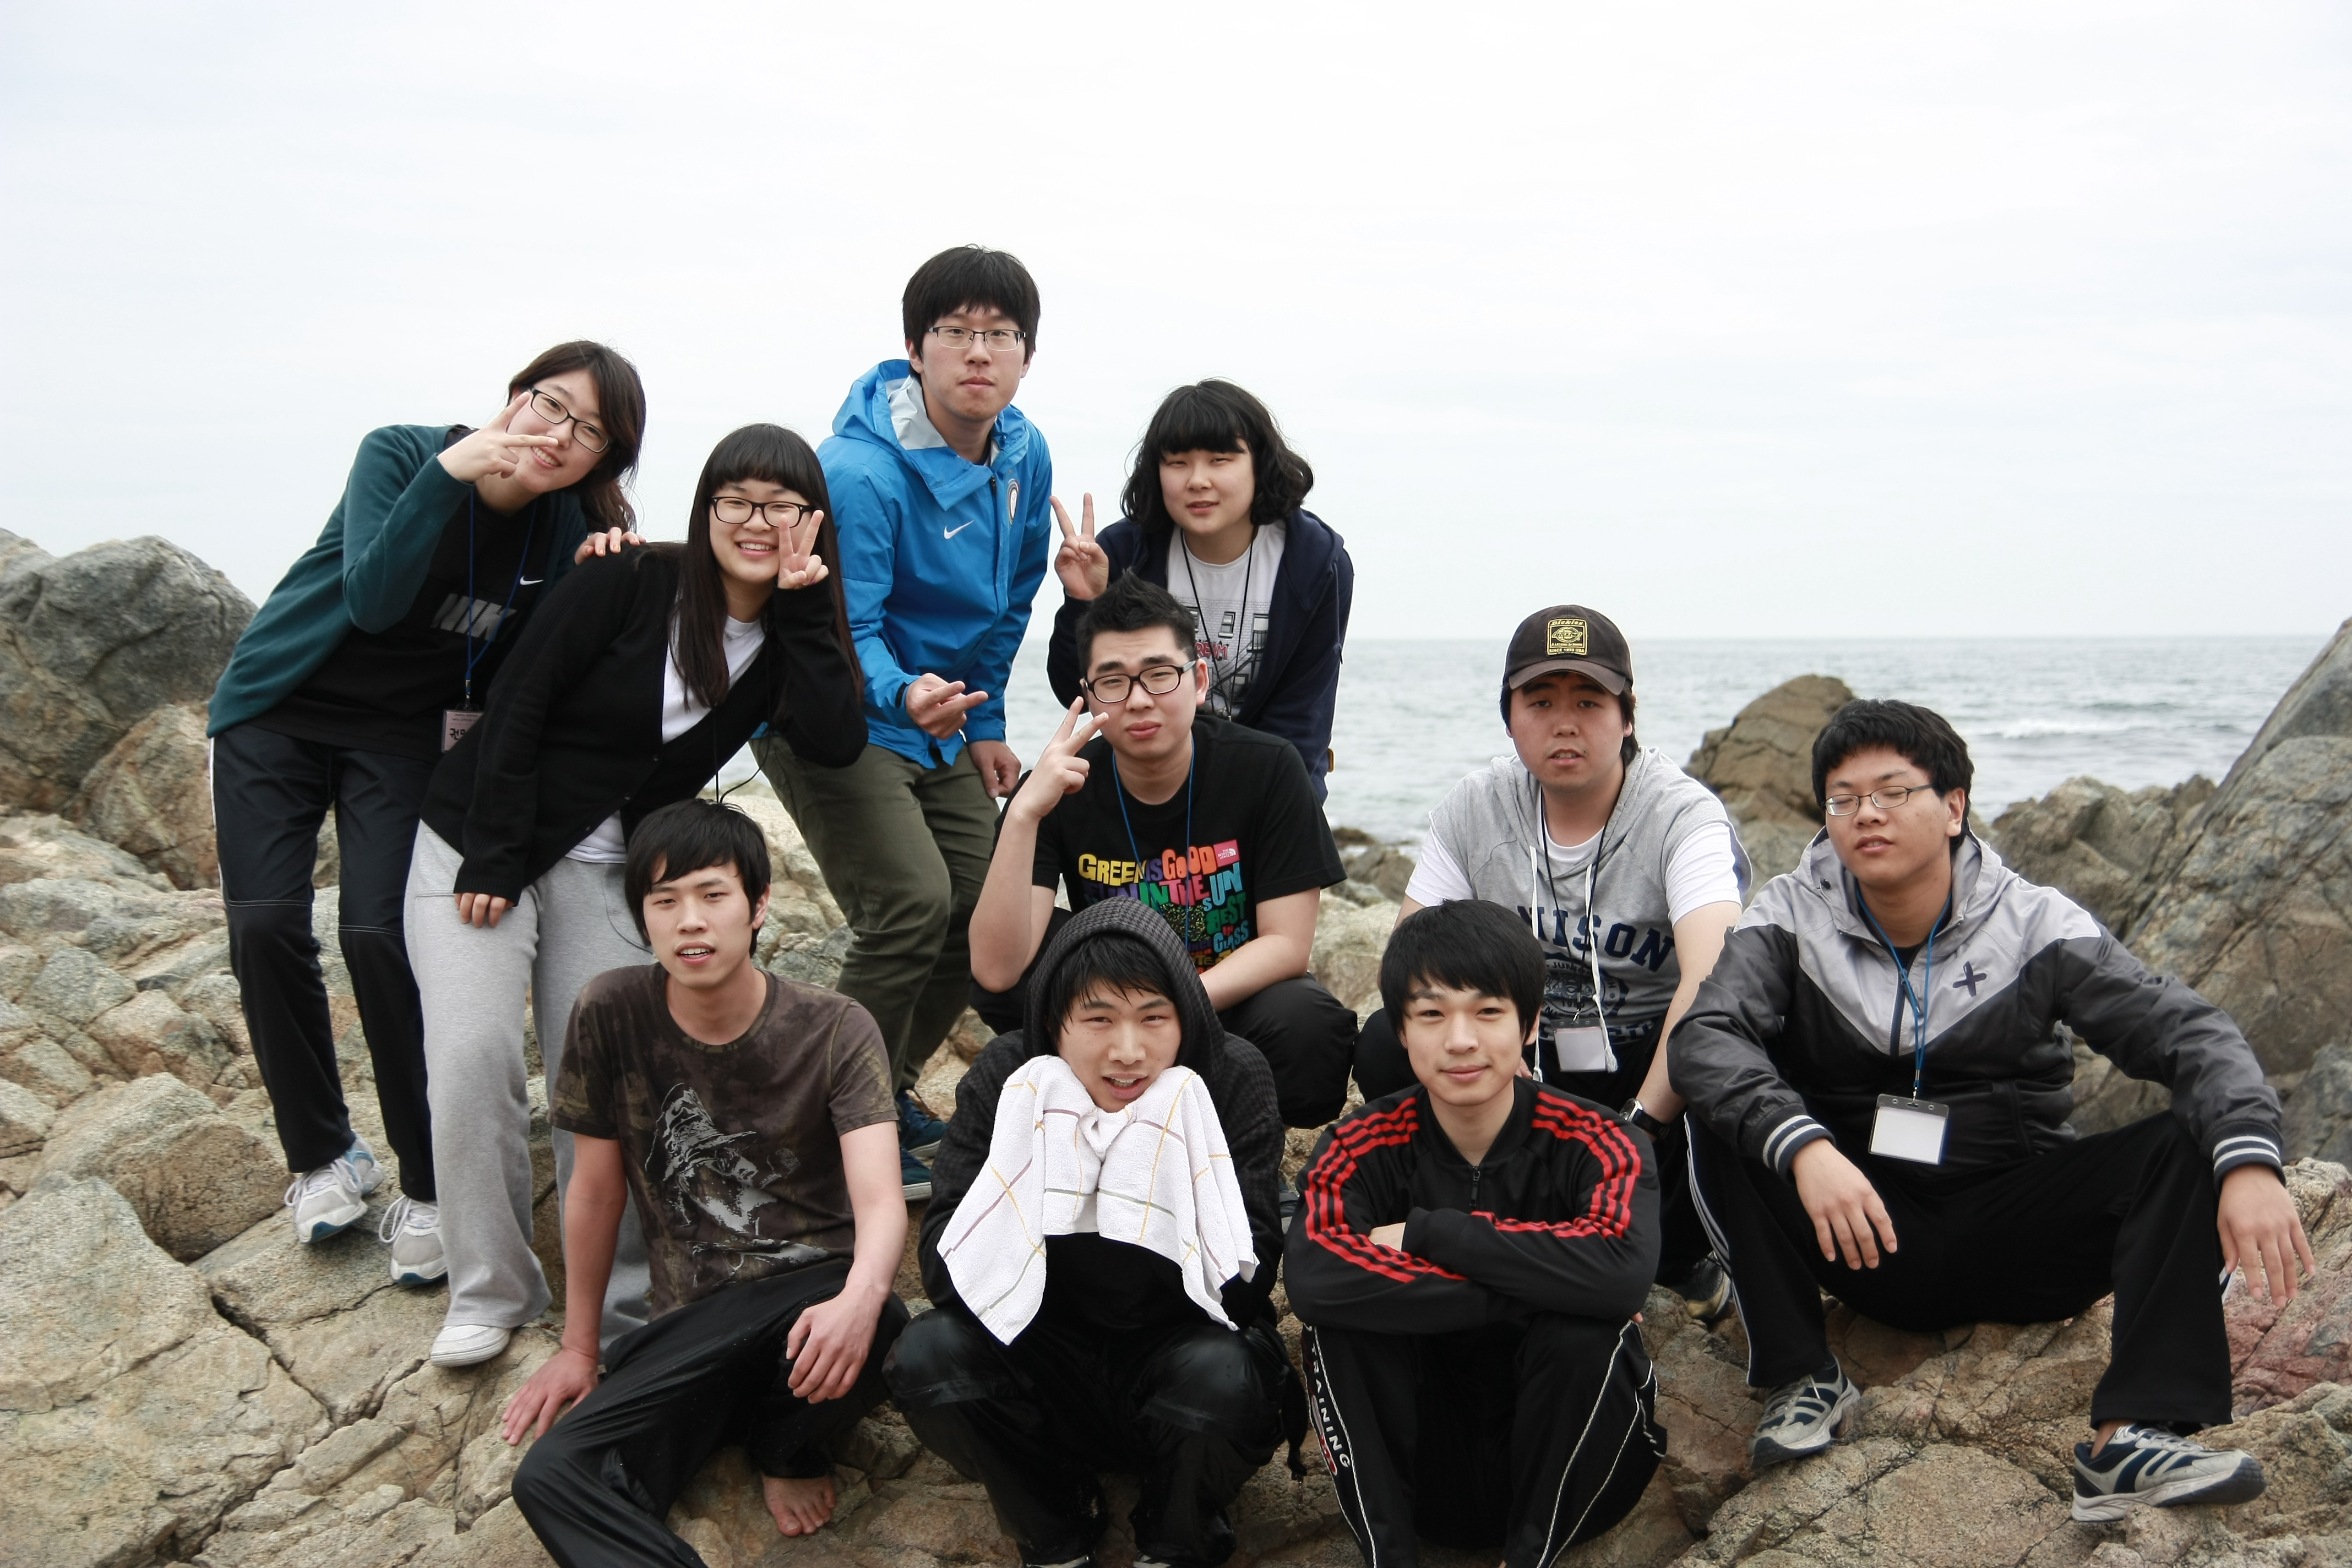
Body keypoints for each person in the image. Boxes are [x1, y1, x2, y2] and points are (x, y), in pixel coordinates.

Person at [1669, 698, 2315, 1520]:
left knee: (2194, 1138)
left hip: (2019, 1233)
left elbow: (2189, 1032)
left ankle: (2133, 1436)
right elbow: (1708, 1036)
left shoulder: (2034, 922)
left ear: (1954, 807)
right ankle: (1803, 1375)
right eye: (1844, 798)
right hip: (1863, 1232)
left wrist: (2252, 1160)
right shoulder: (1790, 916)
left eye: (1893, 791)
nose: (1867, 814)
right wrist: (1805, 1149)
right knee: (1718, 1105)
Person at [409, 423, 865, 1368]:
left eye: (782, 505)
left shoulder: (789, 632)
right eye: (736, 500)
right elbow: (521, 701)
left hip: (614, 869)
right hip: (482, 841)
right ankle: (490, 1289)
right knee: (471, 1053)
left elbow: (834, 739)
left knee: (615, 1085)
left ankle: (622, 1314)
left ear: (813, 521)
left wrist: (806, 608)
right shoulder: (627, 577)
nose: (757, 521)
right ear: (705, 510)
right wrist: (494, 856)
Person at [205, 342, 649, 1281]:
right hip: (279, 709)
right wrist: (449, 476)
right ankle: (324, 1155)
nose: (558, 435)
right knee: (267, 924)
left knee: (379, 932)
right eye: (550, 405)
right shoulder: (403, 453)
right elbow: (371, 601)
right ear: (514, 396)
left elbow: (557, 665)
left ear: (603, 460)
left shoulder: (564, 527)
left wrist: (605, 573)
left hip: (402, 741)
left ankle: (426, 1180)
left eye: (590, 432)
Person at [501, 799, 907, 1559]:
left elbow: (882, 1199)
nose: (690, 921)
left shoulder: (835, 1027)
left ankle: (786, 1445)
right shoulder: (609, 1010)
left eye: (713, 895)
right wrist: (580, 1349)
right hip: (692, 1330)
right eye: (665, 901)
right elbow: (595, 1191)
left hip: (811, 1305)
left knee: (885, 1322)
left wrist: (861, 1297)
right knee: (554, 1475)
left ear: (758, 905)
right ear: (642, 917)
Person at [753, 244, 1055, 1202]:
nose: (979, 352)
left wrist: (985, 718)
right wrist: (903, 694)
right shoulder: (858, 471)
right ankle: (821, 1122)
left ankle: (875, 1087)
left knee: (987, 911)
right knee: (912, 905)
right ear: (914, 350)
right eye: (955, 332)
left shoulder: (1023, 453)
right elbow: (849, 625)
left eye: (1000, 334)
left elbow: (1012, 599)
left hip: (940, 716)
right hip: (834, 711)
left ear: (1027, 354)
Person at [1354, 604, 1746, 1313]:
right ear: (1509, 716)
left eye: (1589, 701)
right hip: (1525, 1054)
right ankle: (1456, 1216)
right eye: (1540, 702)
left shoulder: (1680, 816)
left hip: (1645, 1059)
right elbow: (1407, 968)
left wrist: (1640, 1125)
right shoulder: (1476, 808)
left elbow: (1713, 976)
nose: (1565, 723)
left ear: (1628, 716)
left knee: (1722, 1054)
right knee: (1388, 1038)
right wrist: (1497, 1065)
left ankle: (1683, 1256)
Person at [887, 899, 1290, 1568]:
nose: (1128, 1051)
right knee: (927, 1355)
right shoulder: (1011, 1078)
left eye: (1154, 1018)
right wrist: (1059, 1179)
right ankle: (1055, 1525)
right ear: (1055, 1022)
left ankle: (1177, 1530)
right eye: (1098, 1019)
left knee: (1229, 1374)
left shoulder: (1227, 1076)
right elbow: (942, 1267)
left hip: (1178, 1359)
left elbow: (1248, 1285)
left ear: (1186, 1020)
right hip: (1042, 1360)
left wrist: (1145, 1178)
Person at [1286, 899, 1665, 1568]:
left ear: (1530, 1023)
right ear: (1401, 1032)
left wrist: (1431, 1233)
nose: (1461, 1040)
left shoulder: (1602, 1140)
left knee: (1585, 1332)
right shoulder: (1359, 1144)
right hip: (1427, 1475)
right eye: (1432, 1015)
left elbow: (1621, 1272)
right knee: (1340, 1329)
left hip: (1578, 1471)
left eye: (1488, 1011)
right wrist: (1546, 1285)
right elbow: (1317, 1278)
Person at [970, 571, 1358, 1129]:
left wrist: (1171, 1005)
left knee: (1308, 1023)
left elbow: (1286, 945)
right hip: (1107, 1007)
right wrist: (1025, 812)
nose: (1138, 700)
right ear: (1088, 695)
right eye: (1113, 682)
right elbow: (996, 970)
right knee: (1011, 972)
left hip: (1223, 1000)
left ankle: (1244, 1134)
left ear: (1198, 680)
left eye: (1159, 675)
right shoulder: (1061, 785)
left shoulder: (1268, 767)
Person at [1043, 380, 1353, 798]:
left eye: (1220, 460)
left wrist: (1279, 808)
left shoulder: (1315, 561)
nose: (1198, 480)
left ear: (1259, 463)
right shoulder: (1122, 553)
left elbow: (1303, 716)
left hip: (1268, 781)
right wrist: (1085, 601)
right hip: (1147, 779)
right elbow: (1074, 691)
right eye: (1178, 463)